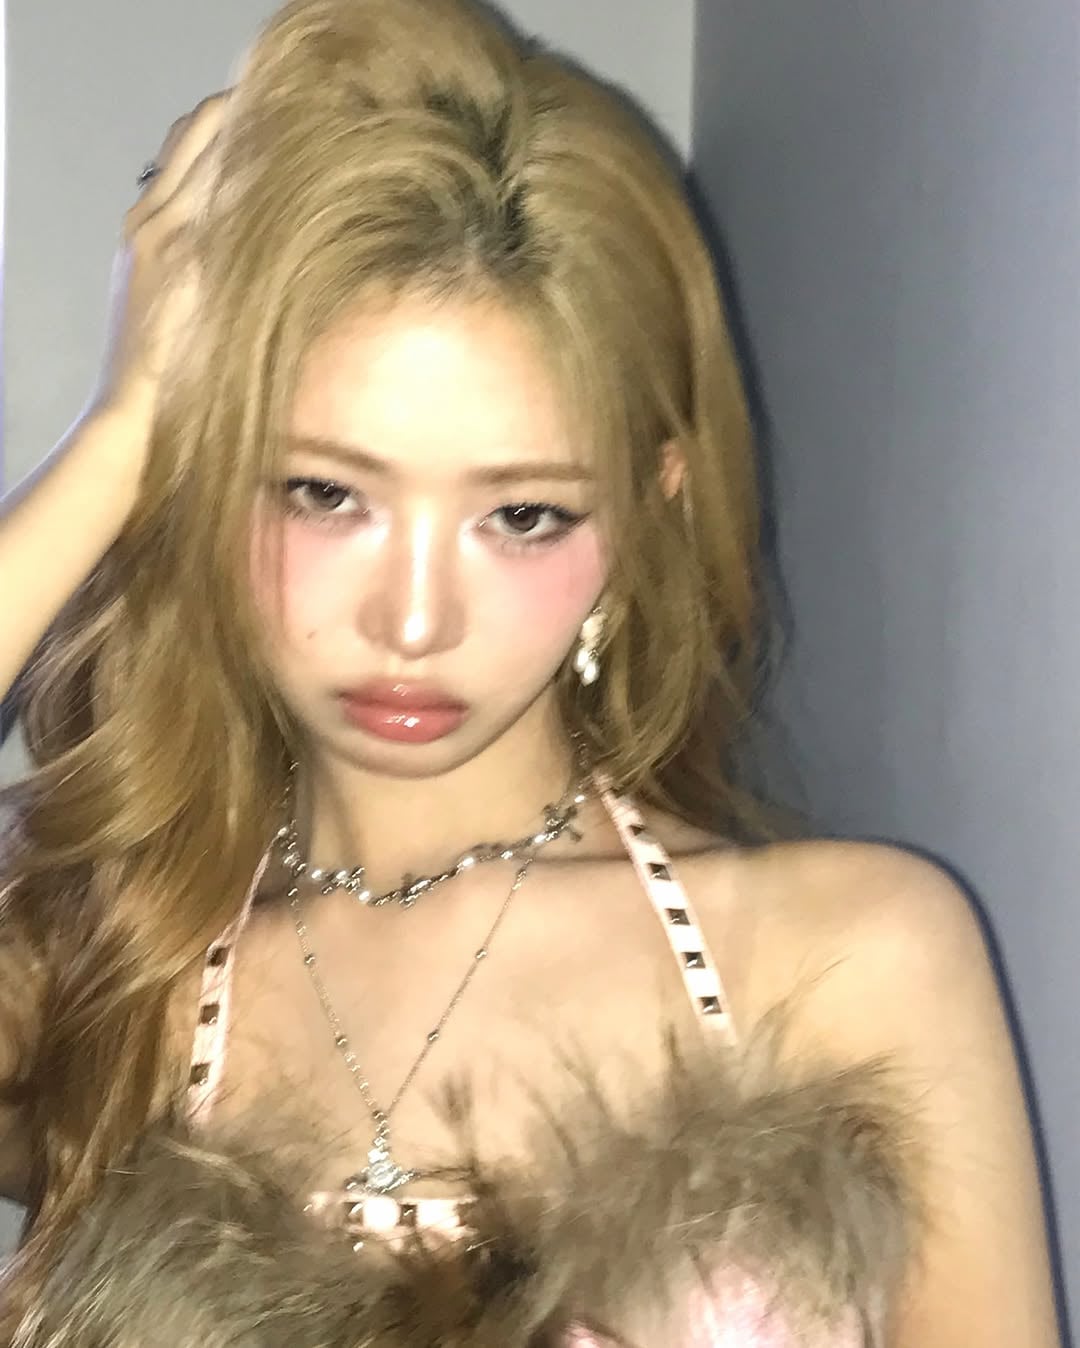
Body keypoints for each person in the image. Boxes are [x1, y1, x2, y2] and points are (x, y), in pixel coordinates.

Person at [0, 0, 1061, 1342]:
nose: (414, 620)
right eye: (324, 493)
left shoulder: (850, 957)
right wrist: (121, 439)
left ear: (645, 509)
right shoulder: (107, 970)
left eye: (522, 516)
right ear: (209, 491)